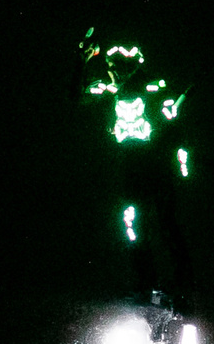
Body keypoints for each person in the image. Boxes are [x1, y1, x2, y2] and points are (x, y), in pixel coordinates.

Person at [76, 30, 193, 313]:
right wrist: (82, 63)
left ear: (135, 65)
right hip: (131, 170)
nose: (117, 72)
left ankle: (182, 286)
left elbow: (173, 121)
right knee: (134, 225)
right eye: (113, 66)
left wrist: (179, 157)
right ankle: (147, 284)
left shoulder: (153, 87)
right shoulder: (109, 91)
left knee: (165, 226)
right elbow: (79, 97)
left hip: (157, 168)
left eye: (124, 66)